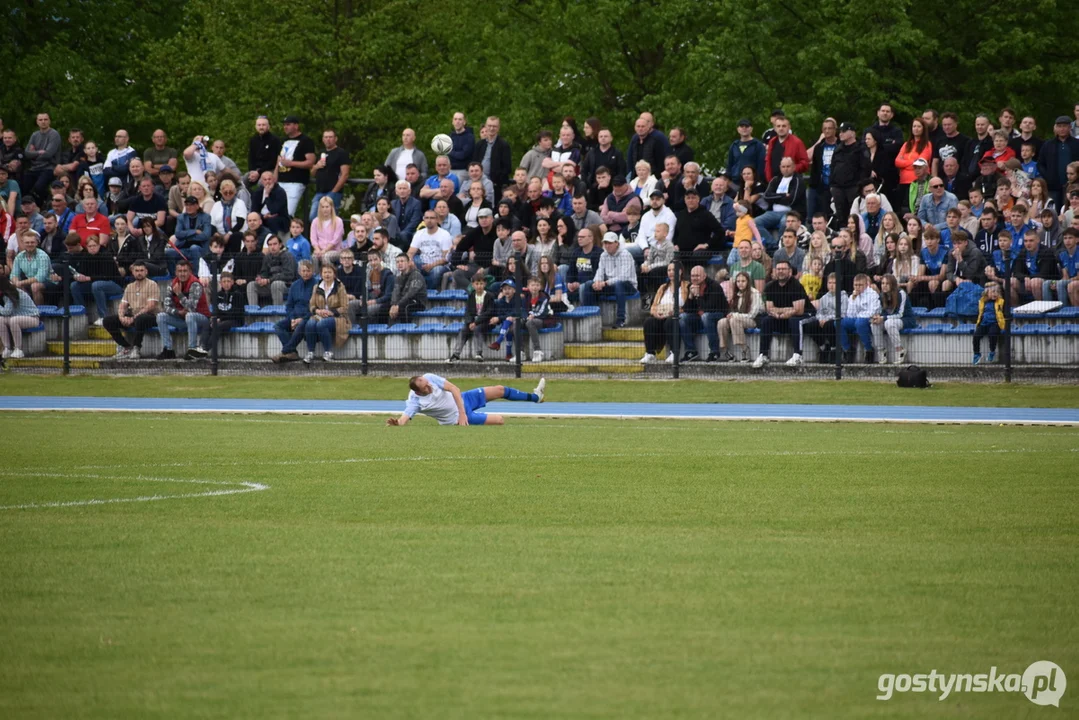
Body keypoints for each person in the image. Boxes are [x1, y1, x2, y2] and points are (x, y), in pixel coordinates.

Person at [387, 374, 546, 427]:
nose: (429, 386)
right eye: (425, 387)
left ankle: (536, 397)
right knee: (499, 421)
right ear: (418, 391)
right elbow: (405, 417)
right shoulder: (414, 401)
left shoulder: (429, 378)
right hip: (456, 419)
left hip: (464, 399)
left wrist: (462, 412)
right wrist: (398, 423)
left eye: (427, 382)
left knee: (500, 390)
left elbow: (454, 389)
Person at [753, 260, 811, 367]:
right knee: (766, 320)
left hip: (806, 318)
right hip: (783, 319)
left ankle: (798, 355)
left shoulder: (796, 285)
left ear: (789, 271)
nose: (780, 271)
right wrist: (784, 312)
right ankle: (763, 355)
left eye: (784, 269)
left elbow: (799, 310)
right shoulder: (770, 286)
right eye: (778, 269)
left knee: (794, 320)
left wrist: (780, 311)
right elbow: (769, 308)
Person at [580, 231, 637, 328]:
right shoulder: (603, 255)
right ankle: (590, 318)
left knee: (619, 284)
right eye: (605, 243)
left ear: (617, 243)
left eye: (610, 243)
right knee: (589, 284)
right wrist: (597, 282)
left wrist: (605, 283)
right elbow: (599, 271)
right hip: (610, 285)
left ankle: (620, 319)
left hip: (628, 286)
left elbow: (624, 277)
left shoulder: (625, 254)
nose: (607, 246)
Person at [155, 261, 210, 360]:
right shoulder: (172, 284)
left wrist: (179, 294)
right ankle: (169, 350)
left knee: (190, 315)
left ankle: (192, 349)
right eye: (179, 271)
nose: (182, 273)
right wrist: (178, 312)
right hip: (182, 317)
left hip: (202, 318)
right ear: (176, 272)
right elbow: (166, 306)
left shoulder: (195, 284)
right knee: (161, 316)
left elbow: (191, 308)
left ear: (190, 272)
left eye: (185, 271)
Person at [269, 260, 318, 363]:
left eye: (308, 270)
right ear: (299, 272)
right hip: (294, 317)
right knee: (278, 326)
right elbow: (289, 305)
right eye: (303, 271)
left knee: (302, 324)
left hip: (309, 317)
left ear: (312, 271)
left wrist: (302, 319)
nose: (305, 273)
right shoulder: (294, 285)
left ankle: (285, 352)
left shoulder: (317, 285)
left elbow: (316, 307)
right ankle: (292, 352)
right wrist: (292, 319)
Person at [190, 270, 246, 359]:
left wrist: (220, 319)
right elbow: (216, 310)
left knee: (218, 326)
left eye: (228, 281)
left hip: (236, 320)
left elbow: (236, 312)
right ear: (221, 283)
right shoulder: (217, 295)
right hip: (222, 319)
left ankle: (205, 349)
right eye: (224, 282)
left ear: (232, 282)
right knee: (207, 324)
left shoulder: (238, 294)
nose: (226, 284)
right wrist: (214, 318)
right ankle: (201, 346)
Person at [301, 263, 350, 363]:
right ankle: (310, 352)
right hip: (320, 315)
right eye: (325, 272)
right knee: (310, 324)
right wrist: (318, 311)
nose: (327, 275)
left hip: (338, 317)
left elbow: (345, 307)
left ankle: (328, 352)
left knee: (321, 324)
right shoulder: (316, 287)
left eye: (329, 272)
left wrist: (331, 312)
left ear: (334, 274)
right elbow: (311, 305)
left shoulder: (340, 287)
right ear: (321, 274)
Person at [640, 263, 686, 364]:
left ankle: (674, 353)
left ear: (680, 271)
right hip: (662, 315)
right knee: (649, 321)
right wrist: (655, 313)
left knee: (670, 321)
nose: (670, 272)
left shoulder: (686, 286)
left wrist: (675, 311)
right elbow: (653, 306)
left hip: (677, 316)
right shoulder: (663, 287)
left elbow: (688, 306)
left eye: (673, 270)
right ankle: (650, 354)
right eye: (669, 270)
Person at [757, 157, 806, 249]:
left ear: (794, 167)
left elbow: (792, 199)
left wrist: (775, 197)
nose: (786, 169)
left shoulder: (798, 180)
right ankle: (773, 245)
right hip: (773, 212)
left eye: (788, 166)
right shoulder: (775, 179)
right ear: (780, 167)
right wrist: (783, 196)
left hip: (791, 212)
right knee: (755, 222)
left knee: (785, 223)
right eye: (783, 166)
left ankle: (781, 245)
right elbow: (766, 196)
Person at [448, 272, 495, 363]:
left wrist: (476, 322)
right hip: (473, 322)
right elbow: (468, 312)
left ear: (485, 284)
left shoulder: (489, 296)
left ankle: (479, 353)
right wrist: (469, 322)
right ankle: (456, 354)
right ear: (473, 285)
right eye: (477, 284)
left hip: (485, 322)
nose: (479, 286)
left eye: (481, 283)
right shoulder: (471, 296)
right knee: (464, 330)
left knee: (477, 329)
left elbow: (489, 312)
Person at [801, 272, 846, 364]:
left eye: (834, 283)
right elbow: (819, 313)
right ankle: (823, 348)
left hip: (836, 320)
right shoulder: (824, 297)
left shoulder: (843, 297)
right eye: (830, 283)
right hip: (824, 320)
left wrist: (827, 319)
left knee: (829, 325)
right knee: (809, 325)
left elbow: (843, 313)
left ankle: (834, 350)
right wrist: (821, 319)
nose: (831, 285)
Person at [717, 271, 762, 362]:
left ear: (748, 282)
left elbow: (752, 315)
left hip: (753, 320)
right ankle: (725, 351)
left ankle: (744, 349)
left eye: (743, 281)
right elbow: (733, 311)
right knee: (721, 322)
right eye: (738, 281)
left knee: (734, 319)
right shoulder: (736, 293)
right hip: (738, 318)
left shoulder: (755, 293)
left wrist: (734, 315)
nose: (740, 283)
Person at [275, 116, 317, 215]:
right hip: (280, 181)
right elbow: (278, 161)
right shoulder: (283, 141)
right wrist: (274, 177)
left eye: (288, 124)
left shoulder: (306, 141)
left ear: (296, 126)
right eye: (284, 125)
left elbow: (310, 162)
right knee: (275, 213)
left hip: (295, 181)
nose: (285, 127)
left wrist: (291, 163)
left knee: (288, 213)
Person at [838, 273, 882, 363]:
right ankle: (848, 349)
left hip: (868, 320)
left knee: (859, 322)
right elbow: (849, 314)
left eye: (860, 285)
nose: (857, 287)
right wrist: (854, 299)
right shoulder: (852, 296)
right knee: (838, 322)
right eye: (855, 285)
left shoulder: (873, 295)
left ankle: (869, 350)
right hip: (857, 319)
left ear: (866, 285)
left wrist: (859, 317)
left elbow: (873, 312)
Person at [872, 274, 916, 365]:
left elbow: (900, 314)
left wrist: (883, 318)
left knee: (889, 323)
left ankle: (900, 350)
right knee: (874, 324)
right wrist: (876, 317)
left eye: (887, 283)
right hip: (889, 320)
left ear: (893, 285)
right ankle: (881, 350)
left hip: (905, 319)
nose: (884, 285)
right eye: (883, 283)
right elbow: (880, 311)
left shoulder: (901, 293)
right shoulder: (881, 295)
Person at [1010, 229, 1060, 304]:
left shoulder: (1047, 252)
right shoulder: (1023, 252)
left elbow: (1045, 273)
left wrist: (1030, 279)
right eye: (1025, 241)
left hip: (1049, 282)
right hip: (1028, 282)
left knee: (1035, 282)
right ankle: (1015, 310)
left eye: (1031, 241)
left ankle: (1039, 310)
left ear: (1038, 240)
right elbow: (1016, 271)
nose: (1028, 244)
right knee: (1009, 282)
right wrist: (1025, 278)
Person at [310, 129, 350, 219]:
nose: (328, 139)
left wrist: (333, 192)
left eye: (330, 137)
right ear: (323, 139)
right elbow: (312, 173)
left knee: (330, 219)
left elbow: (345, 174)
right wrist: (316, 166)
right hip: (319, 191)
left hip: (333, 192)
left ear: (335, 139)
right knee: (313, 217)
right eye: (326, 137)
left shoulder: (341, 153)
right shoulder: (321, 153)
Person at [248, 235, 297, 306]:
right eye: (270, 245)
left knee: (276, 284)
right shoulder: (267, 257)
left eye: (275, 244)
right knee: (251, 285)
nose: (272, 247)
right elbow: (264, 272)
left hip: (287, 285)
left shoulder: (288, 256)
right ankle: (253, 312)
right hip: (270, 284)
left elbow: (289, 275)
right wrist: (260, 278)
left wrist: (269, 280)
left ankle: (277, 313)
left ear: (280, 245)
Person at [0, 273, 40, 360]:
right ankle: (7, 348)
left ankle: (18, 349)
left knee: (14, 320)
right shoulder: (5, 294)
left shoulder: (12, 293)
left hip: (32, 318)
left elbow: (6, 312)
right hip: (17, 316)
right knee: (1, 320)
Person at [972, 281, 1006, 365]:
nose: (995, 294)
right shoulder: (982, 302)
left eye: (997, 292)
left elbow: (1003, 313)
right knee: (976, 336)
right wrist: (979, 323)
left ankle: (992, 351)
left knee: (992, 334)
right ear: (987, 293)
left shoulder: (1000, 302)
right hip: (984, 323)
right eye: (993, 292)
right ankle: (977, 353)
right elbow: (980, 313)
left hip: (995, 323)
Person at [388, 254, 426, 324]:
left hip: (417, 301)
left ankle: (406, 331)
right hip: (403, 300)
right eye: (397, 262)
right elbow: (395, 292)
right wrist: (393, 305)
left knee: (404, 307)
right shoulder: (398, 278)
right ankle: (388, 331)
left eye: (402, 261)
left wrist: (398, 305)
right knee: (385, 307)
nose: (399, 264)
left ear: (408, 263)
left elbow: (410, 294)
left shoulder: (416, 275)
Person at [250, 170, 289, 236]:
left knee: (272, 221)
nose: (267, 182)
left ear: (273, 180)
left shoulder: (280, 192)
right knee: (253, 220)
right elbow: (254, 210)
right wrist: (262, 216)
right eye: (265, 180)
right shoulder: (258, 192)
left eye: (269, 179)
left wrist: (267, 196)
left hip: (279, 217)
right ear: (262, 182)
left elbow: (274, 210)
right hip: (262, 216)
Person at [310, 196, 345, 269]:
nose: (325, 209)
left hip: (334, 251)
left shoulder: (338, 221)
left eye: (327, 207)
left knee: (326, 257)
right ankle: (317, 278)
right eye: (322, 207)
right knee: (314, 257)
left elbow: (335, 240)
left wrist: (325, 250)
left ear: (331, 207)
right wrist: (318, 250)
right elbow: (313, 239)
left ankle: (329, 275)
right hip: (319, 250)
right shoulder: (315, 221)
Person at [727, 119, 767, 183]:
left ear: (751, 129)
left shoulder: (758, 145)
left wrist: (758, 180)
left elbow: (761, 165)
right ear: (738, 129)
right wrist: (728, 178)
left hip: (752, 181)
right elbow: (729, 164)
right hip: (735, 181)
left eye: (747, 126)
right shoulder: (734, 145)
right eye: (742, 126)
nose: (744, 128)